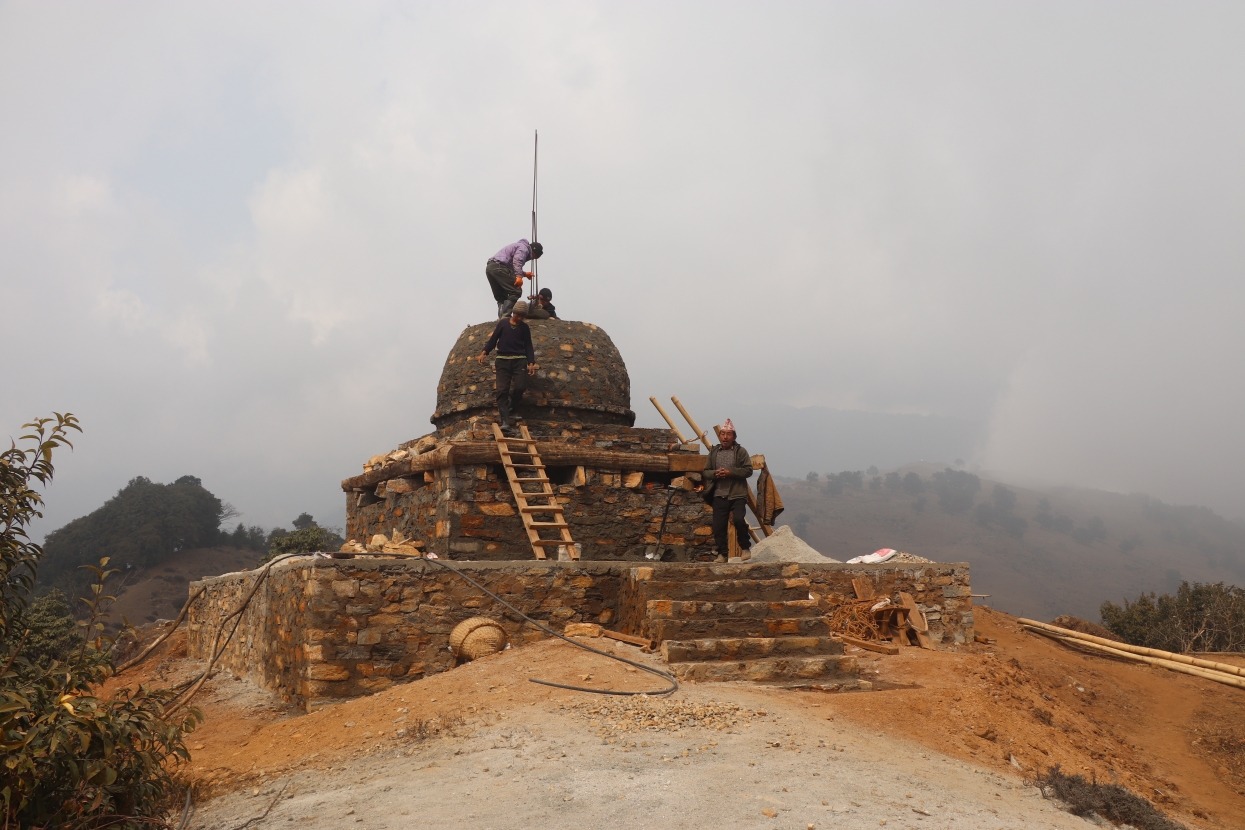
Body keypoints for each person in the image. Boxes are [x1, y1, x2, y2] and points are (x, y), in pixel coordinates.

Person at [477, 300, 538, 430]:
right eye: (518, 315)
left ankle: (512, 409)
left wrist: (531, 362)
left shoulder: (524, 327)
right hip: (503, 360)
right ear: (513, 312)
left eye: (523, 316)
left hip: (519, 360)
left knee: (520, 387)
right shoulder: (503, 324)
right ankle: (505, 420)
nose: (520, 318)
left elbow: (528, 346)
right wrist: (484, 353)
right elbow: (493, 340)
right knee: (502, 390)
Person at [703, 419, 753, 562]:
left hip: (737, 493)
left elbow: (748, 470)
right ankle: (722, 554)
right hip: (719, 494)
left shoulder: (741, 452)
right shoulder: (714, 452)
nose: (725, 437)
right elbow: (706, 472)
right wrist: (715, 474)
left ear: (734, 437)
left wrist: (730, 473)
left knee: (738, 519)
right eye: (723, 434)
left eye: (728, 434)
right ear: (719, 436)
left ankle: (745, 547)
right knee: (718, 526)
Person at [486, 238, 543, 318]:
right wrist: (519, 276)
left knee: (501, 297)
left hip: (491, 268)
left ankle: (502, 318)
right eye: (534, 257)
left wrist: (525, 274)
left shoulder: (519, 247)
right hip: (499, 268)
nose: (532, 259)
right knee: (516, 290)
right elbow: (517, 261)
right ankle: (506, 316)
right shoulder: (524, 249)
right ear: (534, 252)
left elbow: (512, 267)